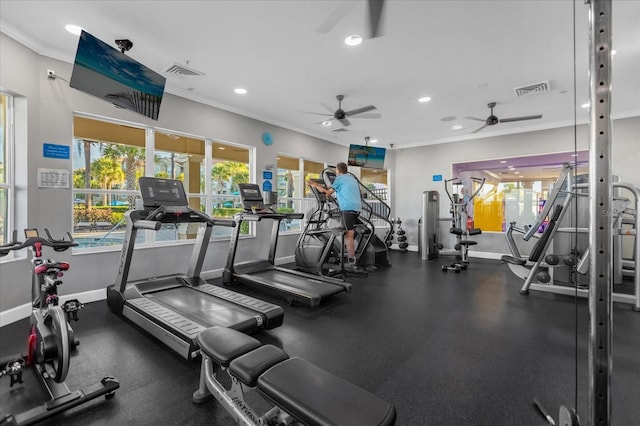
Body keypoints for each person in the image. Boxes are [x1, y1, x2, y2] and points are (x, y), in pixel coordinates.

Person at [308, 162, 362, 271]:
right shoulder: (352, 179)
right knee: (350, 232)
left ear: (337, 171)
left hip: (347, 209)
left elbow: (327, 192)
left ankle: (352, 261)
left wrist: (316, 185)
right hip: (357, 209)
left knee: (349, 235)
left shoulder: (339, 179)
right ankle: (348, 254)